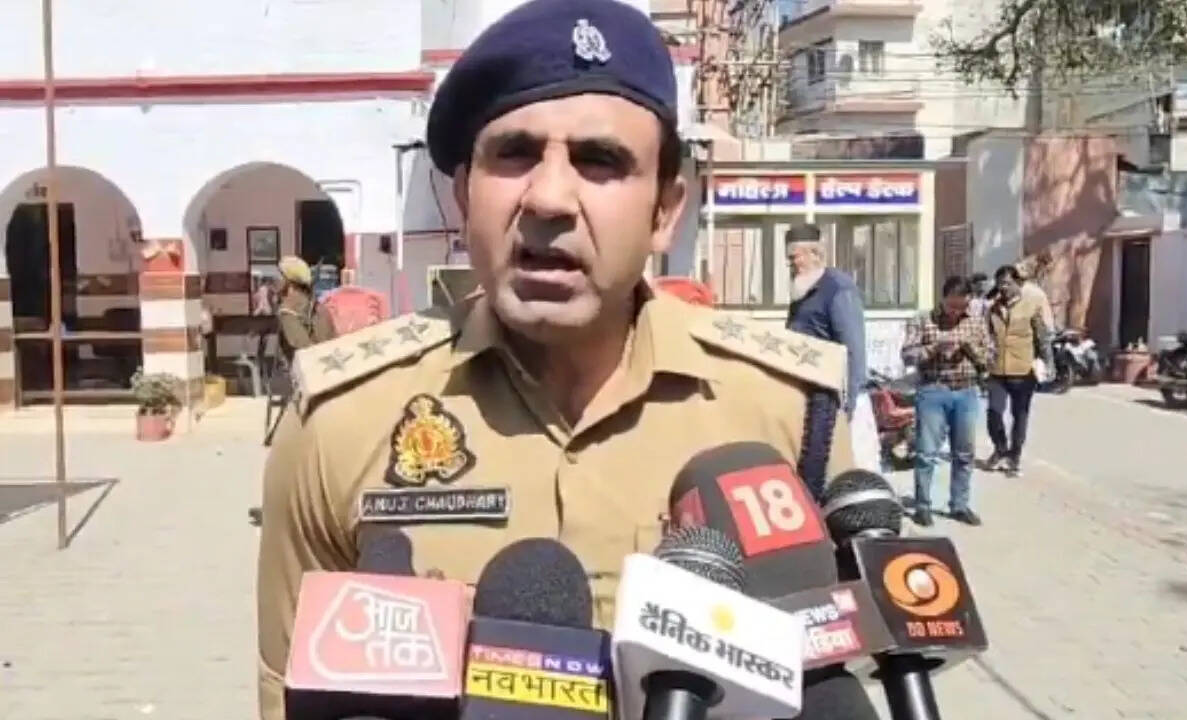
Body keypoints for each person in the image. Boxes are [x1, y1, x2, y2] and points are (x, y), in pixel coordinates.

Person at [254, 1, 874, 717]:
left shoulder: (788, 414)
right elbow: (286, 693)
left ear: (665, 211)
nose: (548, 198)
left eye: (599, 160)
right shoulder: (340, 421)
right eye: (514, 154)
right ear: (464, 198)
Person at [784, 224, 878, 470]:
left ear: (815, 254)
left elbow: (853, 348)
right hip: (812, 394)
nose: (791, 265)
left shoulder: (838, 288)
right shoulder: (801, 289)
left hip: (838, 397)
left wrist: (848, 405)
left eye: (795, 258)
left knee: (852, 469)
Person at [901, 276, 990, 527]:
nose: (956, 313)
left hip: (966, 392)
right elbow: (907, 355)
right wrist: (934, 348)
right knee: (926, 453)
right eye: (952, 306)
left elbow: (989, 357)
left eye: (962, 307)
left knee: (964, 454)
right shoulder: (923, 320)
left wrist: (970, 349)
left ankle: (959, 505)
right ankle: (922, 506)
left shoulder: (975, 322)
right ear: (943, 299)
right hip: (933, 391)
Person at [984, 264, 1053, 477]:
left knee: (1019, 415)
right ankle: (1000, 449)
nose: (1003, 288)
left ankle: (1014, 456)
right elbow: (986, 336)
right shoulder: (993, 309)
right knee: (994, 413)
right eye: (1000, 284)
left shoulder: (1031, 306)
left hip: (1022, 371)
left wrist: (1048, 363)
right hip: (996, 370)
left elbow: (1042, 338)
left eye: (1007, 283)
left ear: (1018, 283)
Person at [274, 255, 336, 363]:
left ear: (288, 281)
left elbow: (302, 347)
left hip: (310, 367)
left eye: (279, 276)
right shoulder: (316, 303)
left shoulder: (288, 309)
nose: (275, 280)